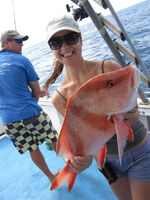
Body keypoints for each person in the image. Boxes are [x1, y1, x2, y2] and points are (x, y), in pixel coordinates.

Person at [44, 15, 150, 200]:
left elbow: (132, 120)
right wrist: (77, 161)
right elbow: (78, 137)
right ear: (52, 49)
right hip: (108, 163)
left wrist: (126, 116)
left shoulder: (107, 68)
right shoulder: (58, 98)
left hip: (139, 153)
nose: (65, 47)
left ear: (81, 39)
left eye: (70, 38)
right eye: (56, 42)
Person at [0, 30, 59, 184]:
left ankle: (51, 177)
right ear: (6, 43)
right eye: (18, 41)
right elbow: (36, 89)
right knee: (53, 138)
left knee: (33, 149)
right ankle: (71, 165)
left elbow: (9, 89)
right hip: (31, 113)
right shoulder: (22, 60)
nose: (22, 44)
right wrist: (32, 101)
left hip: (9, 120)